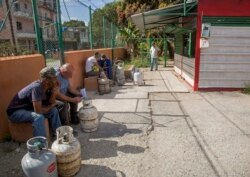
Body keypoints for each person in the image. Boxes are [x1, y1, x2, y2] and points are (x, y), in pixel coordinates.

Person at [6, 67, 62, 137]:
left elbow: (51, 102)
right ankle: (40, 145)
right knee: (38, 117)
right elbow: (38, 111)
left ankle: (59, 135)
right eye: (54, 78)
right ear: (46, 80)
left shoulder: (48, 86)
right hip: (15, 112)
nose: (56, 80)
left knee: (54, 111)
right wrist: (51, 106)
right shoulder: (37, 87)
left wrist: (54, 92)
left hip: (28, 109)